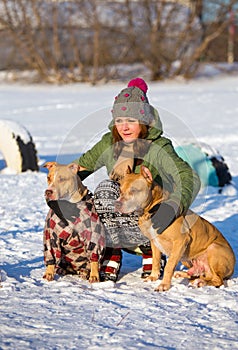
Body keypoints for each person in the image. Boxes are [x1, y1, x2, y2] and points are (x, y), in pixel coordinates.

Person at [74, 78, 201, 282]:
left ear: (143, 122)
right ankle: (112, 251)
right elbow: (81, 167)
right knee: (106, 190)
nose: (124, 127)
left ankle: (151, 253)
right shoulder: (109, 143)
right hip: (121, 218)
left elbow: (188, 176)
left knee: (139, 195)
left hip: (154, 220)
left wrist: (174, 206)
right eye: (119, 120)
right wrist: (59, 185)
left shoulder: (158, 147)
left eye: (131, 121)